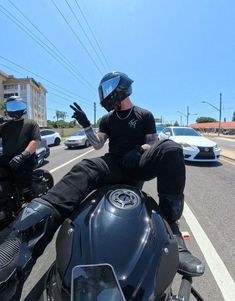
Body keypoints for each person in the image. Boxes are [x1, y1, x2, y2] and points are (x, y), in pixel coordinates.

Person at [0, 72, 204, 300]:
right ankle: (24, 239)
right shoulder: (107, 119)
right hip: (114, 163)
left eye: (107, 90)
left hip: (138, 163)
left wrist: (139, 150)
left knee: (171, 149)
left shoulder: (144, 114)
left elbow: (152, 143)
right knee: (86, 166)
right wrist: (87, 125)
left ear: (122, 88)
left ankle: (174, 233)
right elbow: (98, 145)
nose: (105, 96)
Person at [0, 96, 41, 212]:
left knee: (26, 190)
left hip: (24, 159)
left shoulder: (31, 123)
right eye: (11, 107)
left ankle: (37, 211)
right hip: (7, 158)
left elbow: (35, 141)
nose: (14, 110)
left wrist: (23, 155)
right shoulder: (5, 126)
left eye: (17, 106)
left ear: (23, 107)